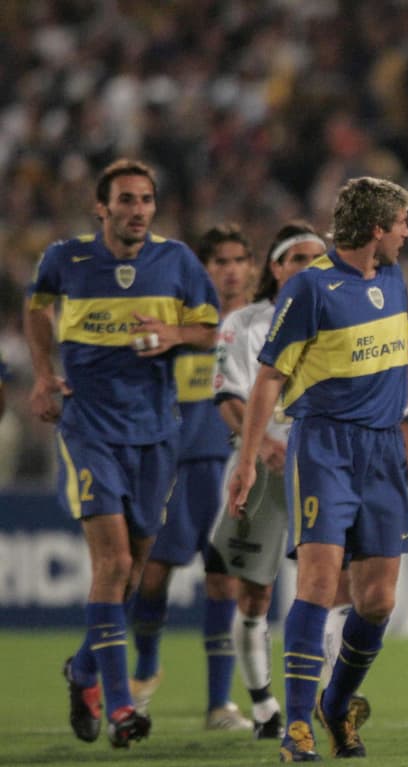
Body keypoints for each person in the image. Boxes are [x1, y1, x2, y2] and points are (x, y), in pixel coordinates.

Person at [227, 177, 408, 762]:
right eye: (402, 223)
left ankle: (336, 706)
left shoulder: (394, 279)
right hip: (325, 448)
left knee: (377, 600)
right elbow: (268, 381)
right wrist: (249, 461)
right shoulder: (309, 288)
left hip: (384, 451)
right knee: (320, 583)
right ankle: (297, 725)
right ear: (378, 228)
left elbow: (405, 351)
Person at [25, 158, 219, 748]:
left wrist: (174, 336)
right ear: (101, 207)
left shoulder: (178, 261)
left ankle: (83, 671)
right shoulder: (67, 258)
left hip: (157, 433)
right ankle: (120, 708)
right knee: (111, 567)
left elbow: (210, 327)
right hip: (89, 429)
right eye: (126, 200)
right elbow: (36, 308)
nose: (138, 210)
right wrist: (42, 374)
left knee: (133, 571)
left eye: (146, 200)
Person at [128, 223, 255, 732]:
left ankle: (219, 703)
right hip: (175, 466)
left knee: (223, 583)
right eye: (218, 260)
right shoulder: (177, 326)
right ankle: (143, 674)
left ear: (251, 266)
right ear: (203, 269)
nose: (228, 269)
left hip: (228, 468)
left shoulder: (258, 325)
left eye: (237, 259)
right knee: (152, 575)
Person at [210, 221, 329, 739]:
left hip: (321, 469)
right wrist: (262, 448)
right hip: (263, 472)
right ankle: (263, 708)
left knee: (324, 588)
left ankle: (320, 700)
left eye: (316, 258)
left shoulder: (338, 317)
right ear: (276, 268)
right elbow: (229, 398)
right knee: (254, 596)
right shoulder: (245, 323)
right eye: (297, 259)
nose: (308, 268)